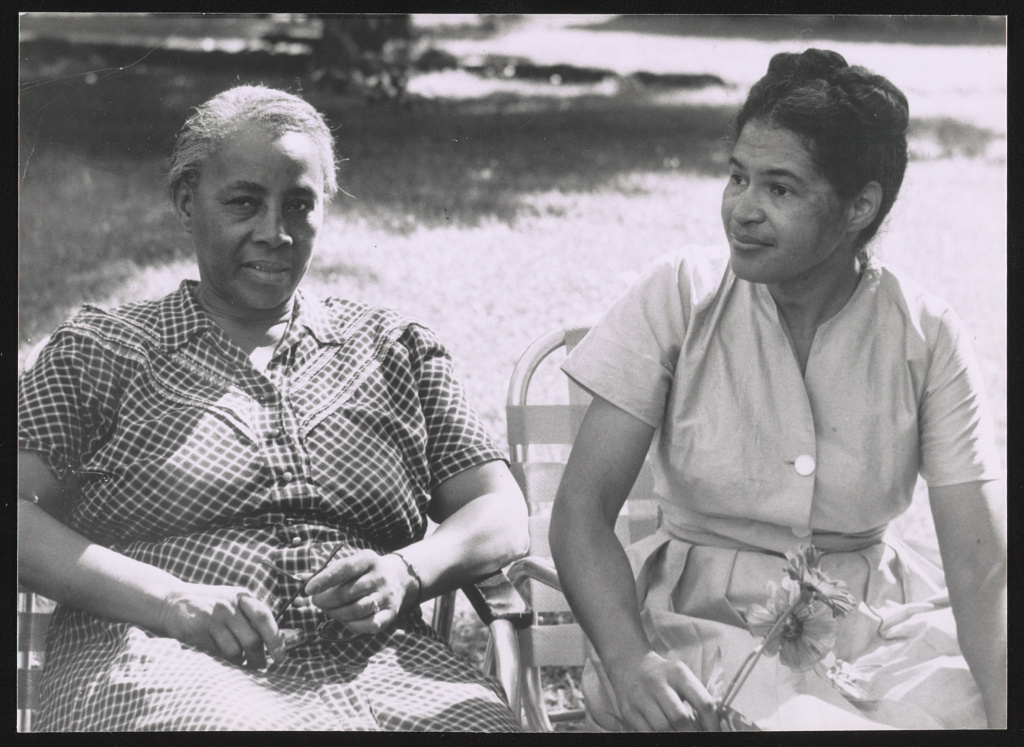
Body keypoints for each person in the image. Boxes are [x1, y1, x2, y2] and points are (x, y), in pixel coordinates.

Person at [18, 85, 529, 732]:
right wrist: (171, 601)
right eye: (243, 203)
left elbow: (502, 510)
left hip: (385, 669)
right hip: (161, 664)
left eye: (299, 205)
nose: (275, 232)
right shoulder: (102, 353)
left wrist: (407, 570)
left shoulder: (393, 349)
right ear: (186, 202)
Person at [549, 49, 1005, 731]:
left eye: (780, 188)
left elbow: (981, 571)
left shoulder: (928, 334)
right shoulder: (682, 293)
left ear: (859, 206)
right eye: (737, 177)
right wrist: (629, 660)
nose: (743, 209)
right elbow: (580, 512)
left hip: (872, 631)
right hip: (696, 626)